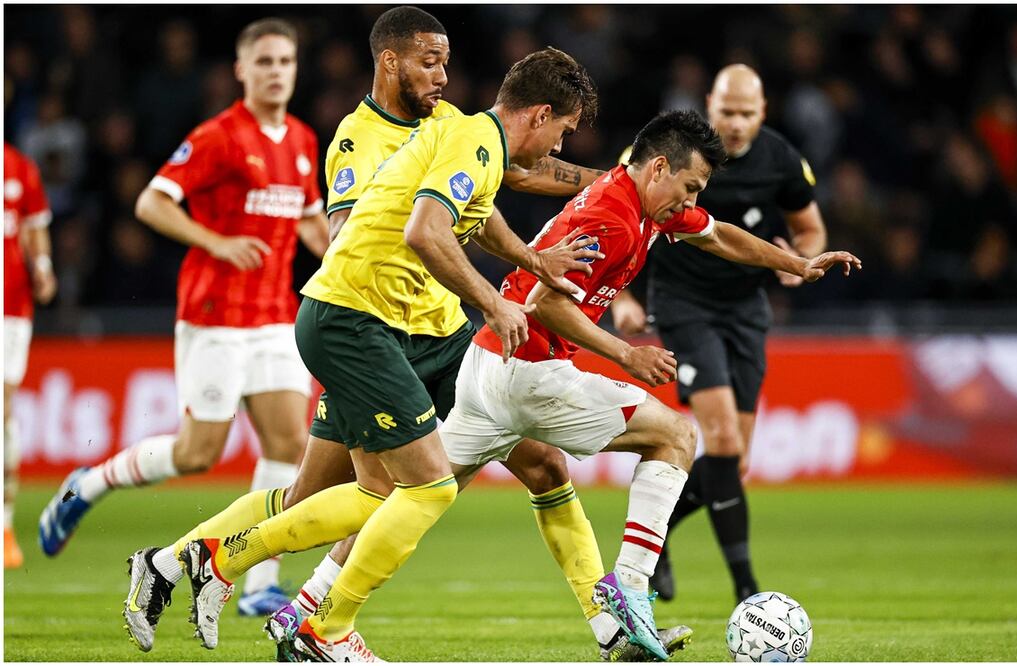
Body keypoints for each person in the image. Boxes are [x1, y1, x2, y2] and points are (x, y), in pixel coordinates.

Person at [132, 46, 601, 662]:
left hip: (423, 331)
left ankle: (179, 565)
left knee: (507, 468)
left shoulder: (456, 128)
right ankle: (295, 612)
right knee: (418, 488)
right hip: (366, 325)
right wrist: (491, 300)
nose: (442, 76)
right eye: (430, 62)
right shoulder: (361, 139)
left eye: (447, 62)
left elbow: (486, 202)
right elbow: (392, 230)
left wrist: (553, 242)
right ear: (390, 62)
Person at [437, 109, 859, 661]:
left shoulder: (644, 205)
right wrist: (625, 354)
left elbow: (719, 235)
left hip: (488, 363)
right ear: (659, 167)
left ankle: (324, 601)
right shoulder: (613, 215)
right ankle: (632, 588)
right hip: (529, 370)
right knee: (676, 437)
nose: (691, 201)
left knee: (418, 494)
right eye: (691, 187)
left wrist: (797, 264)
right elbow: (546, 304)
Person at [38, 18, 330, 616]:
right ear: (241, 70)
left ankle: (259, 583)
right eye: (265, 61)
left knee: (289, 442)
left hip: (276, 317)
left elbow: (308, 220)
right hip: (215, 315)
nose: (277, 72)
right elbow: (151, 202)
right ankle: (87, 484)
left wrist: (346, 261)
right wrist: (217, 242)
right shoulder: (219, 136)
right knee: (198, 454)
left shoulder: (302, 139)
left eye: (286, 61)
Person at [611, 64, 829, 605]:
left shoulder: (781, 160)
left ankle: (658, 534)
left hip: (746, 308)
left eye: (746, 113)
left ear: (763, 112)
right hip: (683, 304)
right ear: (709, 104)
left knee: (736, 462)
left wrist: (798, 259)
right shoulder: (670, 152)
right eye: (726, 111)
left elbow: (810, 229)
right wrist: (625, 298)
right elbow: (618, 215)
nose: (734, 123)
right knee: (724, 443)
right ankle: (747, 588)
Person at [3, 143, 57, 569]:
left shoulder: (19, 166)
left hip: (10, 307)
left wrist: (42, 266)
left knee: (2, 410)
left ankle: (4, 525)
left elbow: (35, 226)